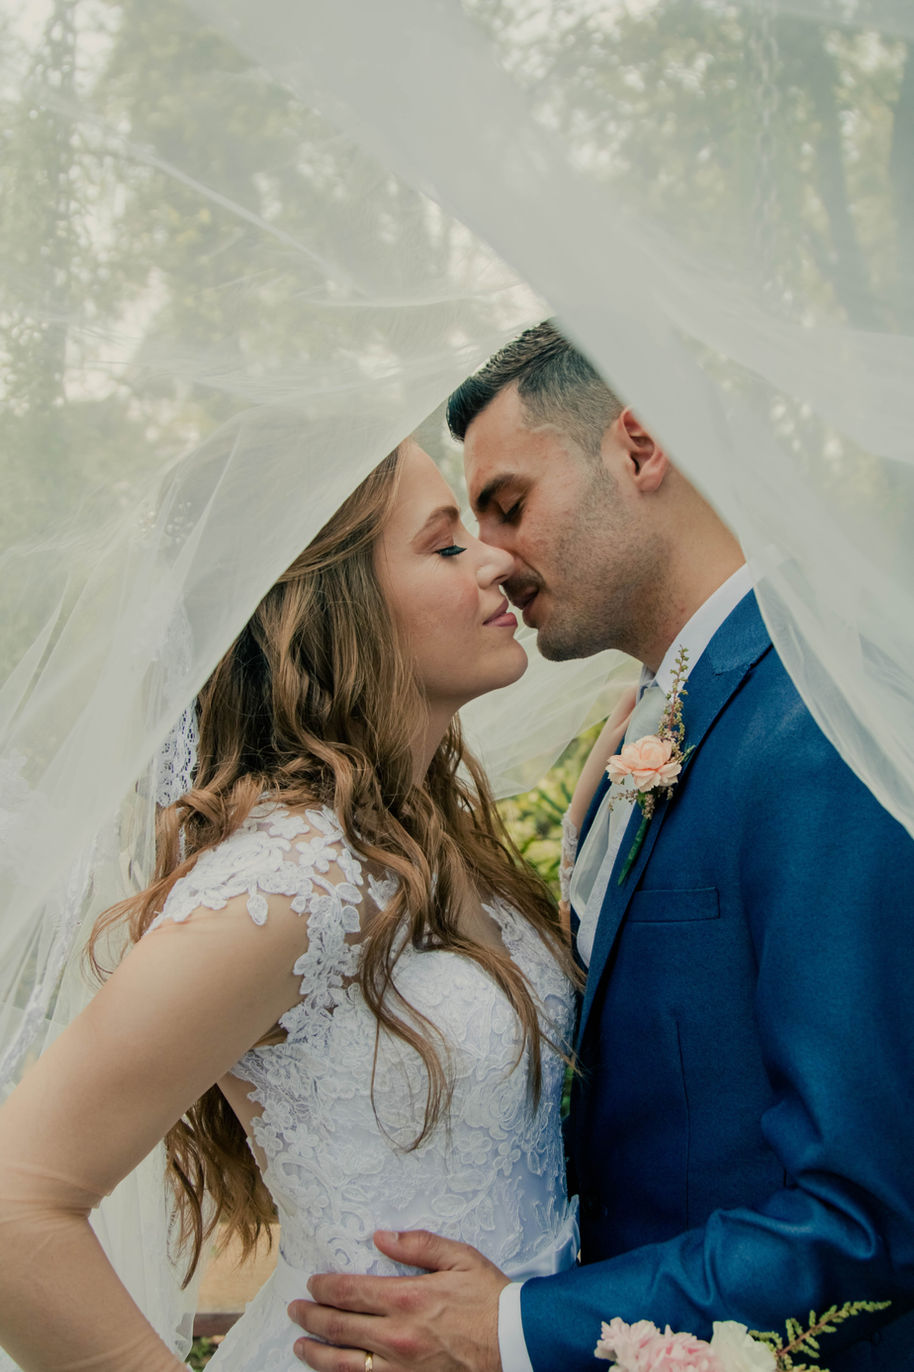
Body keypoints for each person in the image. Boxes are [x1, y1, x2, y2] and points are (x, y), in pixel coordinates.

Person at [290, 322, 914, 1372]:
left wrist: (511, 1329)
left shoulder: (815, 723)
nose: (492, 556)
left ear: (638, 445)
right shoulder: (651, 727)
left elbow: (870, 1212)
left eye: (509, 503)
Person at [0, 438, 641, 1372]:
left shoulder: (430, 835)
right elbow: (15, 1204)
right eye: (445, 545)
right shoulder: (286, 882)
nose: (495, 561)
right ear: (337, 609)